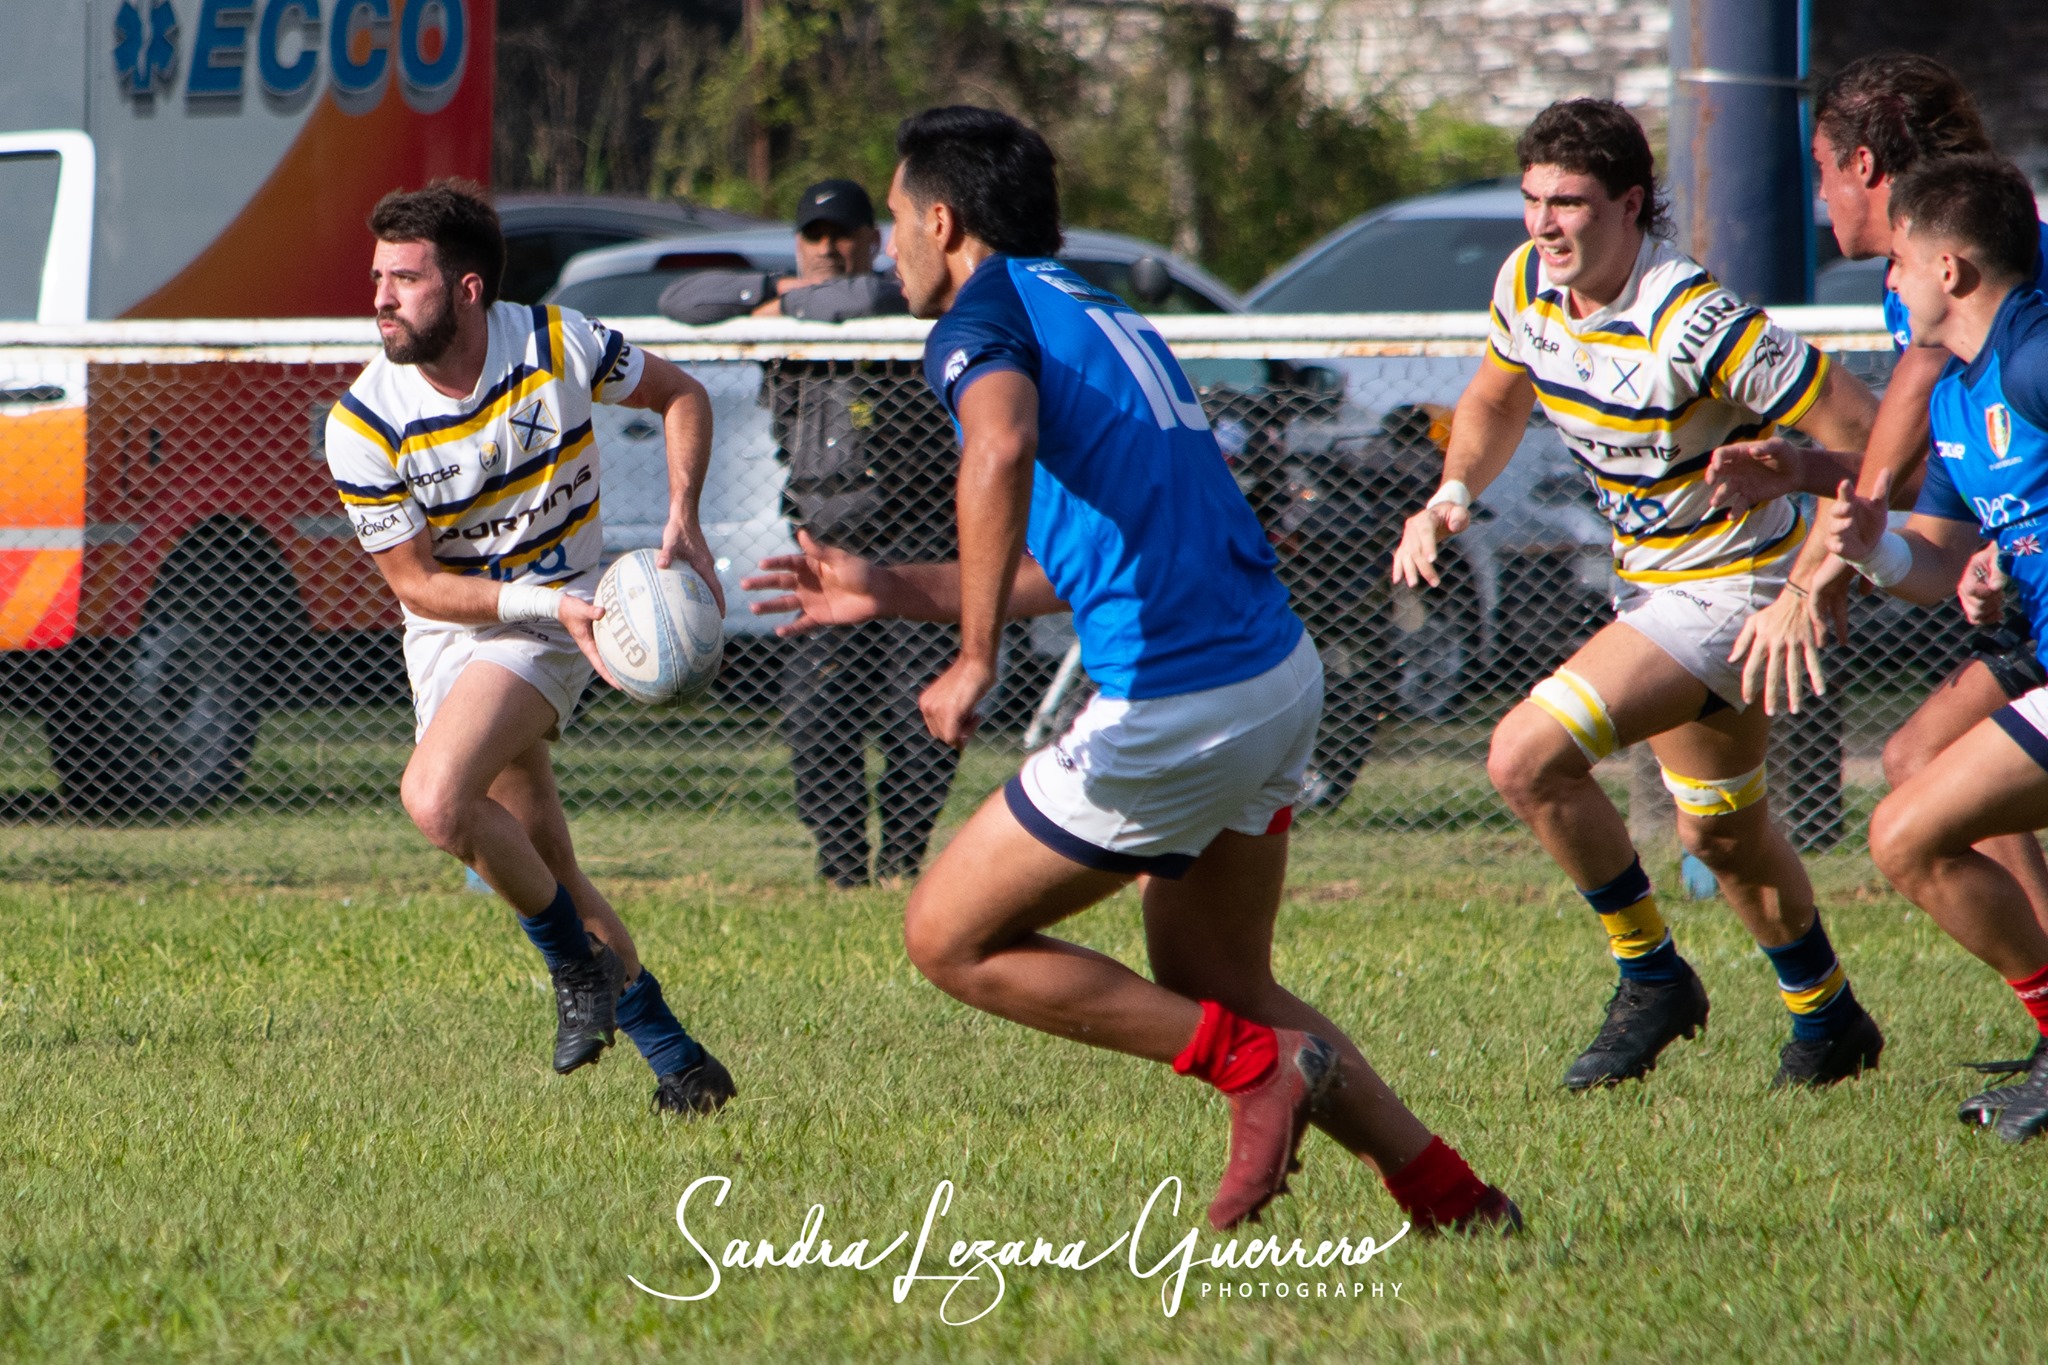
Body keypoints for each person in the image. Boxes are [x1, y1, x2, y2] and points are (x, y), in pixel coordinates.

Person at [746, 106, 1518, 1234]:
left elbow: (1000, 445)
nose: (891, 247)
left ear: (941, 221)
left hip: (1177, 697)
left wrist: (973, 658)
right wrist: (887, 587)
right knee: (1220, 977)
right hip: (1273, 677)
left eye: (899, 217)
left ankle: (1256, 1068)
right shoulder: (1094, 311)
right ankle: (1454, 1199)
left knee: (948, 938)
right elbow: (1078, 561)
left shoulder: (976, 320)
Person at [1390, 99, 1883, 1092]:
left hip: (1735, 588)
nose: (1544, 224)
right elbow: (1493, 398)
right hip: (1652, 587)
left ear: (1628, 203)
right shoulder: (1527, 283)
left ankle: (1652, 977)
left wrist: (1811, 569)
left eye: (1568, 202)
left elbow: (1872, 438)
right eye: (1532, 199)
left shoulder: (1696, 322)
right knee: (1722, 833)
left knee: (1525, 756)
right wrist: (1449, 495)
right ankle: (1829, 1019)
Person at [323, 180, 736, 1115]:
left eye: (405, 279)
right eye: (378, 277)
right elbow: (417, 585)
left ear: (467, 289)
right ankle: (682, 1065)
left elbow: (682, 395)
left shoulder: (556, 343)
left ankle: (573, 968)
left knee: (435, 799)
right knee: (544, 858)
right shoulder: (365, 422)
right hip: (457, 626)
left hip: (563, 618)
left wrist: (683, 514)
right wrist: (534, 600)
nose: (381, 297)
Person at [1707, 55, 2048, 956]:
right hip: (2032, 612)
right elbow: (1929, 495)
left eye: (1822, 170)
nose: (1822, 198)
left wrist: (1808, 583)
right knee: (1916, 772)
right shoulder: (1951, 352)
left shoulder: (2010, 332)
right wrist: (1832, 502)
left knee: (1915, 809)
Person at [1815, 154, 2048, 1141]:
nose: (1892, 285)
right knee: (1908, 825)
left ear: (1947, 270)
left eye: (1900, 265)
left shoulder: (2034, 355)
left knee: (1906, 829)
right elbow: (1940, 557)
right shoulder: (1957, 392)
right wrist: (1872, 548)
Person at [663, 179, 961, 888]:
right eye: (814, 235)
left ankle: (901, 861)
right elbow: (681, 302)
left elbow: (870, 297)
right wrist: (773, 292)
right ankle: (841, 870)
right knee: (817, 716)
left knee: (920, 717)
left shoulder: (901, 297)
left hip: (919, 545)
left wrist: (789, 304)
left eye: (844, 234)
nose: (828, 247)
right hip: (824, 549)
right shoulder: (780, 297)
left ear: (872, 241)